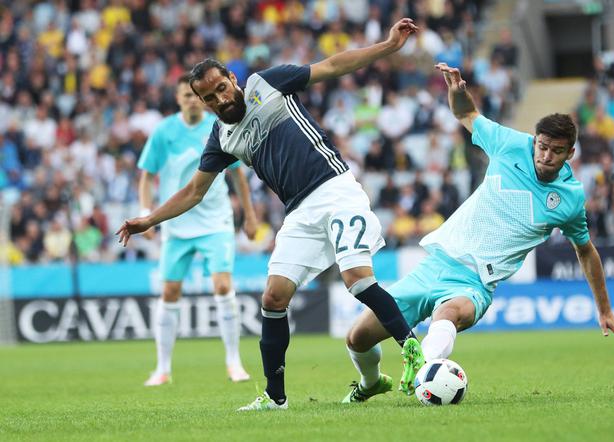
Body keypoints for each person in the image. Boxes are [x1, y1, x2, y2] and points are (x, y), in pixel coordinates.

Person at [116, 18, 424, 411]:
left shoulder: (267, 83)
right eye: (209, 98)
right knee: (273, 297)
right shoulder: (222, 137)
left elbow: (331, 66)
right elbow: (195, 191)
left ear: (233, 78)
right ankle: (275, 397)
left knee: (356, 278)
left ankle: (411, 347)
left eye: (221, 88)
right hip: (298, 211)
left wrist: (387, 47)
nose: (220, 100)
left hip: (335, 188)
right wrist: (148, 220)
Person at [341, 63, 614, 404]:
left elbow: (586, 251)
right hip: (436, 264)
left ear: (570, 153)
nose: (545, 156)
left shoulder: (569, 199)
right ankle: (371, 382)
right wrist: (457, 89)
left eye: (556, 151)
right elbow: (467, 113)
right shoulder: (510, 144)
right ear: (535, 141)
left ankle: (425, 370)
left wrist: (605, 309)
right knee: (357, 337)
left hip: (475, 283)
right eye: (542, 146)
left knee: (447, 313)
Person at [137, 74, 258, 387]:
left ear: (200, 99)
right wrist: (145, 213)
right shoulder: (164, 131)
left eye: (195, 96)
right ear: (178, 99)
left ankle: (234, 362)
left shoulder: (217, 126)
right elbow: (147, 175)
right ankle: (162, 369)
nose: (191, 100)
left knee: (221, 286)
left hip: (215, 221)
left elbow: (238, 176)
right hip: (177, 225)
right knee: (169, 292)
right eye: (185, 96)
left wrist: (249, 214)